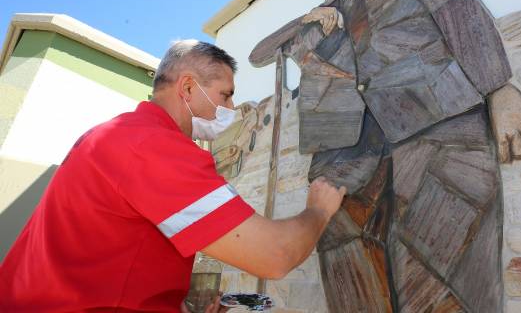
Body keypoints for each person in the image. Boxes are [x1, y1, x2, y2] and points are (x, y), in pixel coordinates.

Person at [249, 0, 521, 311]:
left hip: (437, 124)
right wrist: (304, 21)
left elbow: (462, 13)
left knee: (445, 269)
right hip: (342, 155)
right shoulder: (314, 23)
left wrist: (499, 88)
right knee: (352, 279)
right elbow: (258, 54)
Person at [0, 40, 346, 312]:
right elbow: (274, 255)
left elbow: (111, 258)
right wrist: (319, 210)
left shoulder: (113, 135)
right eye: (225, 95)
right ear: (188, 88)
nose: (229, 110)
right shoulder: (152, 145)